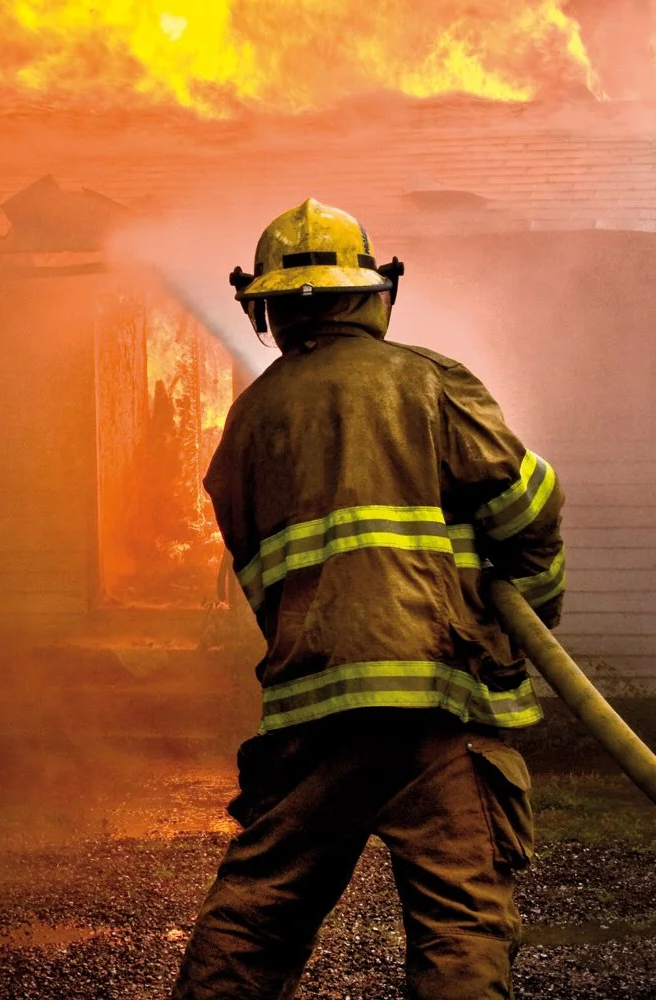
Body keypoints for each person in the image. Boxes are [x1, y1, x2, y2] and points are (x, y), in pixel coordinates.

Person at [170, 198, 565, 1000]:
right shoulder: (428, 382)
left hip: (312, 711)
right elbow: (529, 508)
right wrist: (527, 612)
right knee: (461, 920)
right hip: (436, 702)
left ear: (270, 309)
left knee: (256, 920)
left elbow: (262, 580)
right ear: (371, 293)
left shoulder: (245, 426)